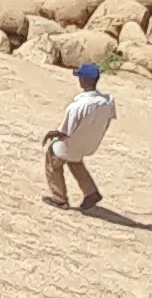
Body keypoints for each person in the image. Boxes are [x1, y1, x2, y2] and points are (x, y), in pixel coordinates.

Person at [42, 63, 117, 211]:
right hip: (90, 143)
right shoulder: (108, 101)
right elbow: (109, 120)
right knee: (74, 159)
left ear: (82, 81)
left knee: (53, 158)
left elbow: (65, 131)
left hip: (73, 143)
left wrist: (51, 134)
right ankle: (91, 192)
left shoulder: (77, 106)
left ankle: (59, 199)